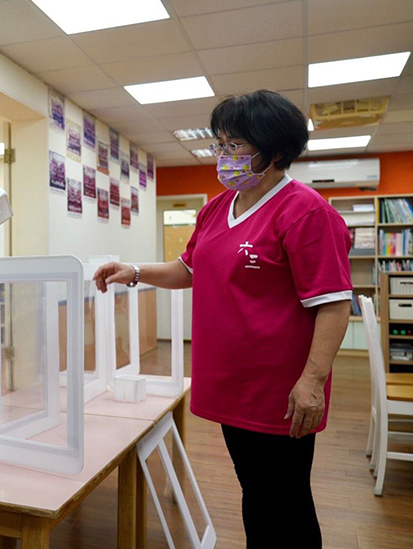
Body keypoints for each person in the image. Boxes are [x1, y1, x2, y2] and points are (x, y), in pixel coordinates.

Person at [94, 90, 351, 547]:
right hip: (231, 383)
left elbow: (332, 302)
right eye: (221, 145)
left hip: (281, 393)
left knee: (286, 501)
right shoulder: (217, 207)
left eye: (236, 146)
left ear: (274, 152)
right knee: (256, 492)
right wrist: (133, 272)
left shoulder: (307, 211)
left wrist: (313, 380)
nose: (223, 156)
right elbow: (188, 270)